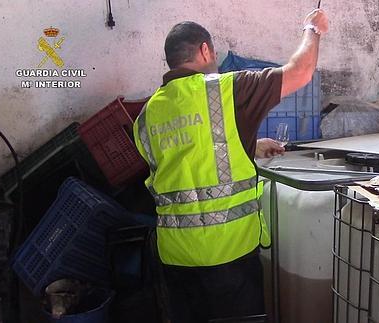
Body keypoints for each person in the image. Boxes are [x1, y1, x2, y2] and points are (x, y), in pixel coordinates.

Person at [133, 8, 328, 323]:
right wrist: (312, 28)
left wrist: (248, 146)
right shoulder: (225, 89)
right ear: (205, 50)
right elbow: (301, 71)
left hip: (173, 255)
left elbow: (188, 163)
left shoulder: (146, 116)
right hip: (228, 253)